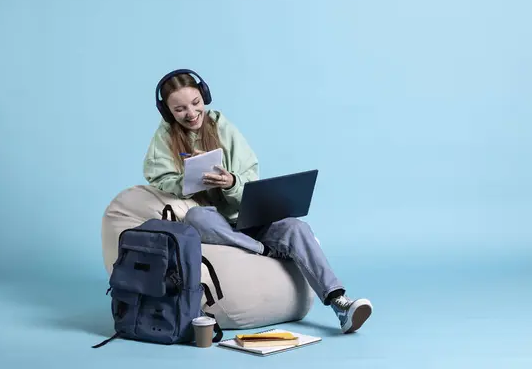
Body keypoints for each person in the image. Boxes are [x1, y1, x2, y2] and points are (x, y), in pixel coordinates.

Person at [143, 69, 372, 334]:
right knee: (196, 218)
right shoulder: (165, 137)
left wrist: (231, 182)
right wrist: (189, 179)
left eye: (196, 103)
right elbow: (158, 177)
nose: (191, 113)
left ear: (204, 96)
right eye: (180, 109)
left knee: (295, 227)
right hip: (216, 224)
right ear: (167, 111)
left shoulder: (221, 125)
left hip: (246, 215)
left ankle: (339, 303)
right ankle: (262, 250)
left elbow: (249, 174)